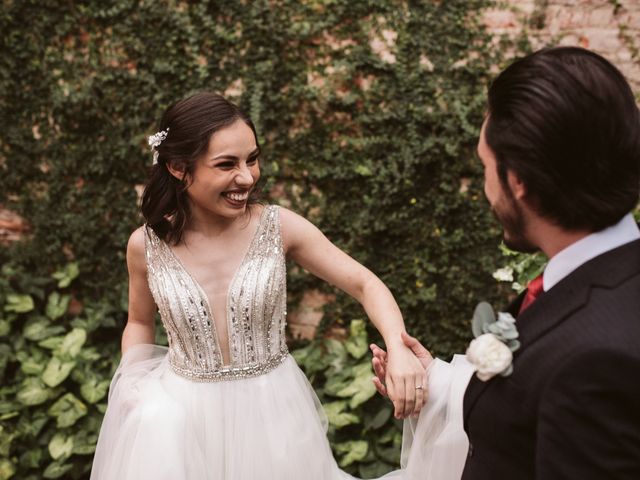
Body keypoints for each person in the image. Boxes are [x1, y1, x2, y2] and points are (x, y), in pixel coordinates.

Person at [90, 92, 432, 480]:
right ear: (178, 168)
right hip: (181, 421)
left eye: (252, 159)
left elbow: (364, 282)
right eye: (226, 164)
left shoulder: (278, 226)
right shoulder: (145, 245)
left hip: (272, 414)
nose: (247, 177)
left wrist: (399, 349)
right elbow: (138, 323)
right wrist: (133, 388)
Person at [371, 46, 640, 479]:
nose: (485, 189)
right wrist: (438, 380)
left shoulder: (598, 359)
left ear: (519, 183)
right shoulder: (602, 274)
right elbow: (535, 395)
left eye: (485, 168)